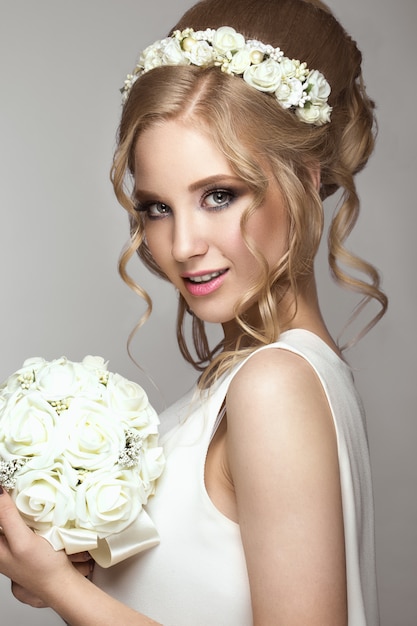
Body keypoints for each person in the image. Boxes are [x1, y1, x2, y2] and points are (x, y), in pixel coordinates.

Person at [0, 0, 387, 624]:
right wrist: (88, 578)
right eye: (157, 207)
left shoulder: (275, 385)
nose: (182, 246)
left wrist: (65, 592)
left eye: (218, 195)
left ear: (308, 181)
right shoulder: (271, 375)